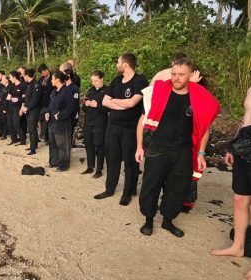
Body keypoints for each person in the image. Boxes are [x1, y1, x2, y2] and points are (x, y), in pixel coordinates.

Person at [135, 58, 220, 237]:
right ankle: (148, 220)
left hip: (183, 151)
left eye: (181, 74)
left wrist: (201, 154)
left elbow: (204, 129)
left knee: (177, 188)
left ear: (190, 75)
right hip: (158, 147)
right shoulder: (157, 93)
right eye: (174, 74)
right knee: (151, 185)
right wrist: (139, 147)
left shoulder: (197, 98)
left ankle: (168, 220)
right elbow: (142, 121)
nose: (176, 78)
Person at [94, 53, 148, 206]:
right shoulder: (116, 81)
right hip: (113, 126)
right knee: (112, 159)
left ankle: (128, 192)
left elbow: (132, 103)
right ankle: (109, 189)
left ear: (125, 65)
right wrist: (122, 104)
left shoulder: (140, 80)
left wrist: (117, 102)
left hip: (130, 128)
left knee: (131, 162)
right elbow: (105, 101)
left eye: (118, 62)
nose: (116, 65)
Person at [211, 87, 251, 259]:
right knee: (240, 198)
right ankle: (238, 247)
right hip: (244, 142)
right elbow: (246, 118)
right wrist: (233, 146)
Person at [81, 70, 109, 178]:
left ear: (101, 79)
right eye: (92, 81)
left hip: (100, 122)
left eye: (96, 81)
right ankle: (90, 166)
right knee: (88, 144)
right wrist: (86, 104)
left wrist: (97, 105)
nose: (94, 83)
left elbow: (108, 108)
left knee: (99, 145)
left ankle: (99, 169)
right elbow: (83, 107)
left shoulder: (107, 90)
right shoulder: (90, 91)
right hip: (88, 121)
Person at [46, 71, 74, 172]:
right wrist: (48, 113)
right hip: (52, 122)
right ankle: (53, 162)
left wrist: (61, 115)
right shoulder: (54, 92)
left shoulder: (67, 91)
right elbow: (51, 105)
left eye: (52, 78)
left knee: (62, 145)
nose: (51, 81)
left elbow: (71, 107)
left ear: (57, 79)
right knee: (52, 143)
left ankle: (63, 165)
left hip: (62, 122)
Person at [22, 68, 41, 155]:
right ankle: (33, 145)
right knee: (31, 128)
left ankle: (33, 148)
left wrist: (28, 107)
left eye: (24, 75)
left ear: (27, 75)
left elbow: (35, 99)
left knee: (32, 129)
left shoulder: (36, 84)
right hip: (29, 110)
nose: (23, 77)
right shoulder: (29, 84)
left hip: (34, 110)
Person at [8, 71, 27, 145]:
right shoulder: (11, 86)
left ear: (14, 77)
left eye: (10, 77)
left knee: (17, 124)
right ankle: (14, 139)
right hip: (10, 106)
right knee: (10, 123)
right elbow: (8, 96)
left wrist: (21, 107)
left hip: (18, 107)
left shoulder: (22, 85)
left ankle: (23, 140)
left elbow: (24, 98)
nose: (9, 79)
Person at [38, 64, 53, 142]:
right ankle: (45, 137)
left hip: (50, 102)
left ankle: (48, 137)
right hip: (42, 103)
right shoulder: (41, 79)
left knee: (48, 120)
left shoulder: (53, 78)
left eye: (43, 72)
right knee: (42, 119)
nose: (42, 74)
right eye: (41, 73)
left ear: (47, 70)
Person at [0, 72, 10, 140]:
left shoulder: (10, 87)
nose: (1, 81)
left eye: (3, 79)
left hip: (5, 106)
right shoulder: (3, 87)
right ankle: (0, 133)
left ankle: (4, 134)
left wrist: (5, 108)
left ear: (7, 80)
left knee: (4, 120)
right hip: (0, 105)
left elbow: (8, 98)